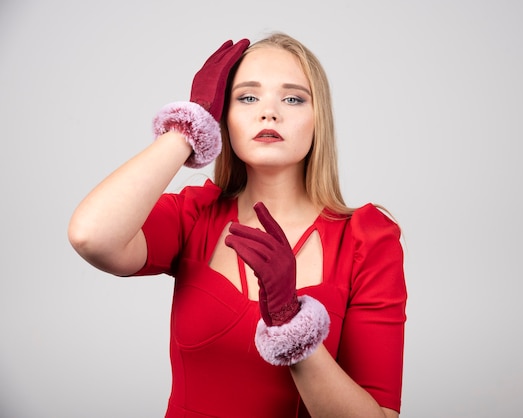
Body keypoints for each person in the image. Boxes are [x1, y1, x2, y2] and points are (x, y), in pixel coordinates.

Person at [68, 32, 407, 418]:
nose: (269, 112)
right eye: (247, 97)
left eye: (293, 98)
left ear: (319, 120)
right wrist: (188, 126)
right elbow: (90, 236)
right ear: (222, 117)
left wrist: (291, 325)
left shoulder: (366, 238)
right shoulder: (195, 215)